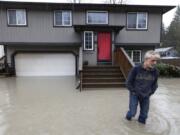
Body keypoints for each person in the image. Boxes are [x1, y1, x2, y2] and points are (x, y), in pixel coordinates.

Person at [125, 50, 160, 124]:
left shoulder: (156, 72)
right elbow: (128, 82)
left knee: (144, 116)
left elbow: (155, 85)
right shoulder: (136, 69)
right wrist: (133, 92)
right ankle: (127, 119)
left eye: (156, 61)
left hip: (146, 95)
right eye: (153, 61)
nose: (155, 63)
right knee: (132, 113)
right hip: (135, 94)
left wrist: (150, 93)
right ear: (146, 59)